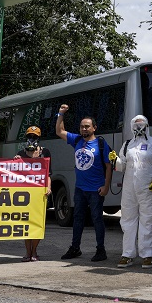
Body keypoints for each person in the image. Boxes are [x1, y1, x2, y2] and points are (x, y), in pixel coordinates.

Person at [56, 104, 112, 262]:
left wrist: (106, 186)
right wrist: (60, 114)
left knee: (96, 219)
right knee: (78, 218)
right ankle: (75, 248)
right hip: (80, 189)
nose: (84, 129)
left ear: (94, 128)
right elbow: (59, 131)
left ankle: (101, 250)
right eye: (81, 127)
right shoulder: (77, 140)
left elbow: (109, 166)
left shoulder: (101, 144)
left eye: (87, 127)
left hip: (96, 189)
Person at [110, 115, 152, 269]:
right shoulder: (128, 145)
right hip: (129, 189)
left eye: (142, 124)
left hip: (147, 188)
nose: (139, 127)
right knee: (128, 221)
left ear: (147, 125)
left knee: (147, 220)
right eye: (136, 125)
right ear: (131, 126)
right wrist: (116, 160)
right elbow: (122, 167)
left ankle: (147, 254)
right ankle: (127, 254)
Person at [14, 126, 51, 262]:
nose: (32, 139)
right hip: (25, 193)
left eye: (35, 137)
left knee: (37, 223)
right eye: (30, 136)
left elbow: (48, 173)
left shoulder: (45, 152)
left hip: (39, 192)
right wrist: (15, 161)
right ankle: (27, 251)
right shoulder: (21, 154)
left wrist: (48, 187)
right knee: (26, 222)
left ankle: (34, 250)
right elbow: (15, 173)